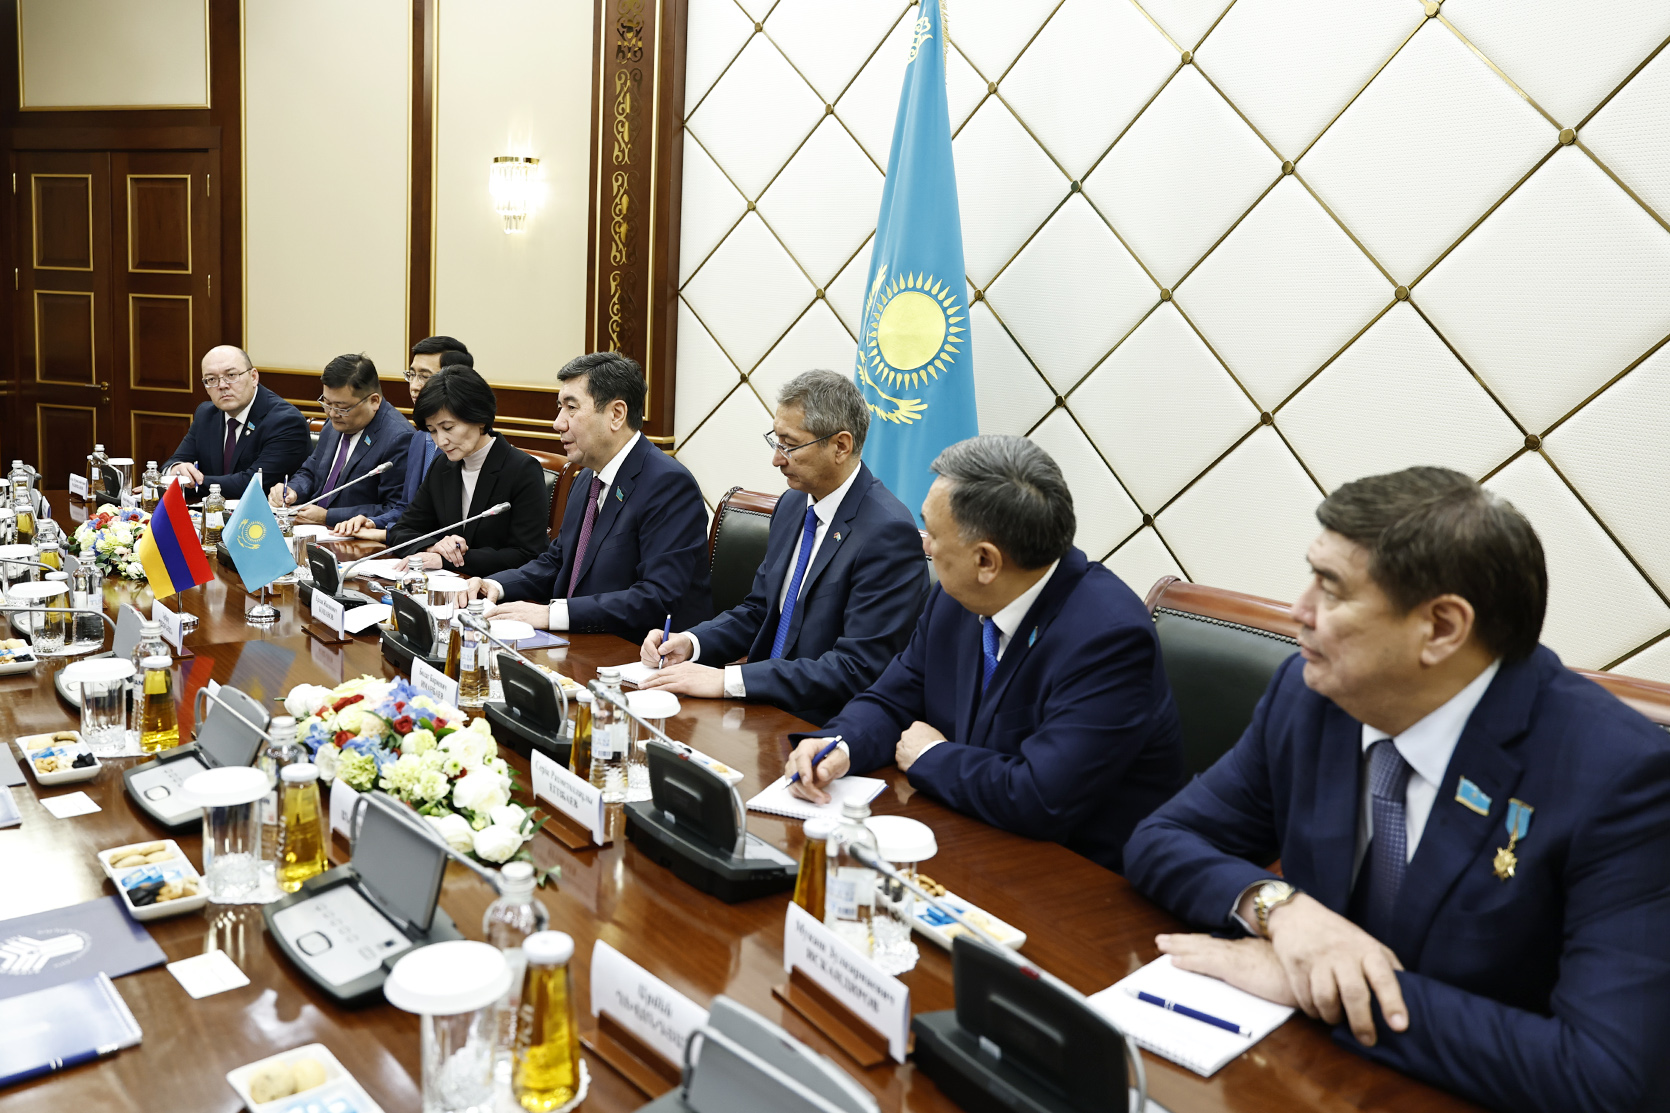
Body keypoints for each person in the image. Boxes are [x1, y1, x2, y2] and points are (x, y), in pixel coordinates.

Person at [1122, 467, 1670, 1113]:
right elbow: (1161, 837)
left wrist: (1321, 986)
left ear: (1441, 628)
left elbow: (1604, 1075)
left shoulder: (1622, 778)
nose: (1299, 611)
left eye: (1331, 589)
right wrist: (1283, 910)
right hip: (1300, 1075)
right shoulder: (1309, 696)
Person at [783, 435, 1185, 873]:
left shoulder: (1109, 638)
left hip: (1070, 877)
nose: (926, 546)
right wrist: (839, 744)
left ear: (987, 562)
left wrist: (931, 756)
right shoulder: (955, 597)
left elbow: (1041, 797)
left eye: (935, 535)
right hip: (966, 836)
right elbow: (893, 698)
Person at [637, 370, 928, 726]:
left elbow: (856, 667)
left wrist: (727, 680)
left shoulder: (888, 533)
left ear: (840, 446)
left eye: (790, 445)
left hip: (823, 725)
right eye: (776, 442)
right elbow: (760, 610)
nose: (777, 459)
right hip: (761, 709)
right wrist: (691, 642)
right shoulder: (792, 505)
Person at [465, 351, 712, 637]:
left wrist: (551, 614)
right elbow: (558, 562)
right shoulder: (586, 477)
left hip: (637, 651)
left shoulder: (668, 484)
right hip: (580, 641)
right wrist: (496, 585)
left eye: (571, 408)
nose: (558, 423)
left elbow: (656, 597)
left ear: (616, 414)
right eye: (560, 407)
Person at [384, 365, 546, 576]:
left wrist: (448, 560)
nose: (441, 441)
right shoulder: (442, 466)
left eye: (448, 428)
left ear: (479, 418)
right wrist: (432, 547)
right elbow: (402, 530)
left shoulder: (522, 469)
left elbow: (528, 554)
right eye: (433, 431)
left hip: (496, 587)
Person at [338, 335, 473, 539]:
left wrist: (386, 534)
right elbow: (406, 508)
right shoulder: (420, 439)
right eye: (412, 375)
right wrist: (372, 522)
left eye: (424, 376)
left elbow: (446, 524)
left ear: (452, 381)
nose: (414, 386)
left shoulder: (467, 444)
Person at [268, 353, 413, 527]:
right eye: (326, 403)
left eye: (342, 408)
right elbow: (312, 470)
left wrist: (328, 516)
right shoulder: (335, 422)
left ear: (374, 401)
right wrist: (293, 491)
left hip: (354, 535)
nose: (331, 413)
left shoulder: (398, 439)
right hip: (309, 527)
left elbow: (394, 509)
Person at [163, 345, 309, 498]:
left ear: (253, 377)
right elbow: (174, 462)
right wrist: (175, 470)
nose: (222, 385)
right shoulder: (206, 414)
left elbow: (252, 484)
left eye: (231, 375)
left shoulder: (285, 421)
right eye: (211, 379)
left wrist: (185, 482)